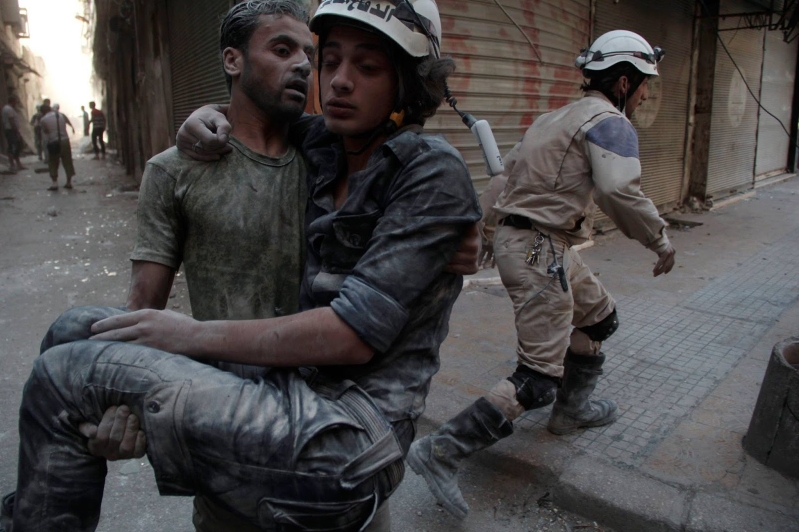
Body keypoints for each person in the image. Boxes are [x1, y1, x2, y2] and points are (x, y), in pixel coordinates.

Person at [8, 2, 481, 531]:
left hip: (348, 438)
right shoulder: (328, 143)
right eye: (332, 62)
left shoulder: (429, 168)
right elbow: (254, 119)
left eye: (367, 68)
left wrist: (188, 335)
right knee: (71, 331)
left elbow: (351, 335)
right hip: (293, 397)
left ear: (407, 85)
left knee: (62, 375)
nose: (338, 81)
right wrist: (201, 119)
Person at [405, 29, 678, 519]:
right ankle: (442, 450)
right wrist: (658, 239)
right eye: (642, 87)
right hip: (539, 249)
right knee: (536, 379)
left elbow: (504, 181)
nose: (642, 97)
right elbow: (619, 190)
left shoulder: (552, 118)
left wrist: (489, 237)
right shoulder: (609, 121)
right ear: (622, 82)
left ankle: (570, 414)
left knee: (599, 320)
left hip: (541, 244)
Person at [40, 103, 76, 190]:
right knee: (67, 161)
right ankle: (69, 182)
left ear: (42, 112)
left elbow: (46, 131)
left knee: (53, 162)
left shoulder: (43, 119)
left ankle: (55, 183)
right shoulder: (61, 115)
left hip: (53, 142)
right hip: (65, 140)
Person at [2, 95, 25, 172]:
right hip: (11, 130)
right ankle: (13, 165)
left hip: (11, 130)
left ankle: (18, 164)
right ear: (13, 101)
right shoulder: (9, 109)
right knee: (13, 147)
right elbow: (12, 121)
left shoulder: (7, 108)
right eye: (16, 102)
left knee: (17, 146)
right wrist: (16, 131)